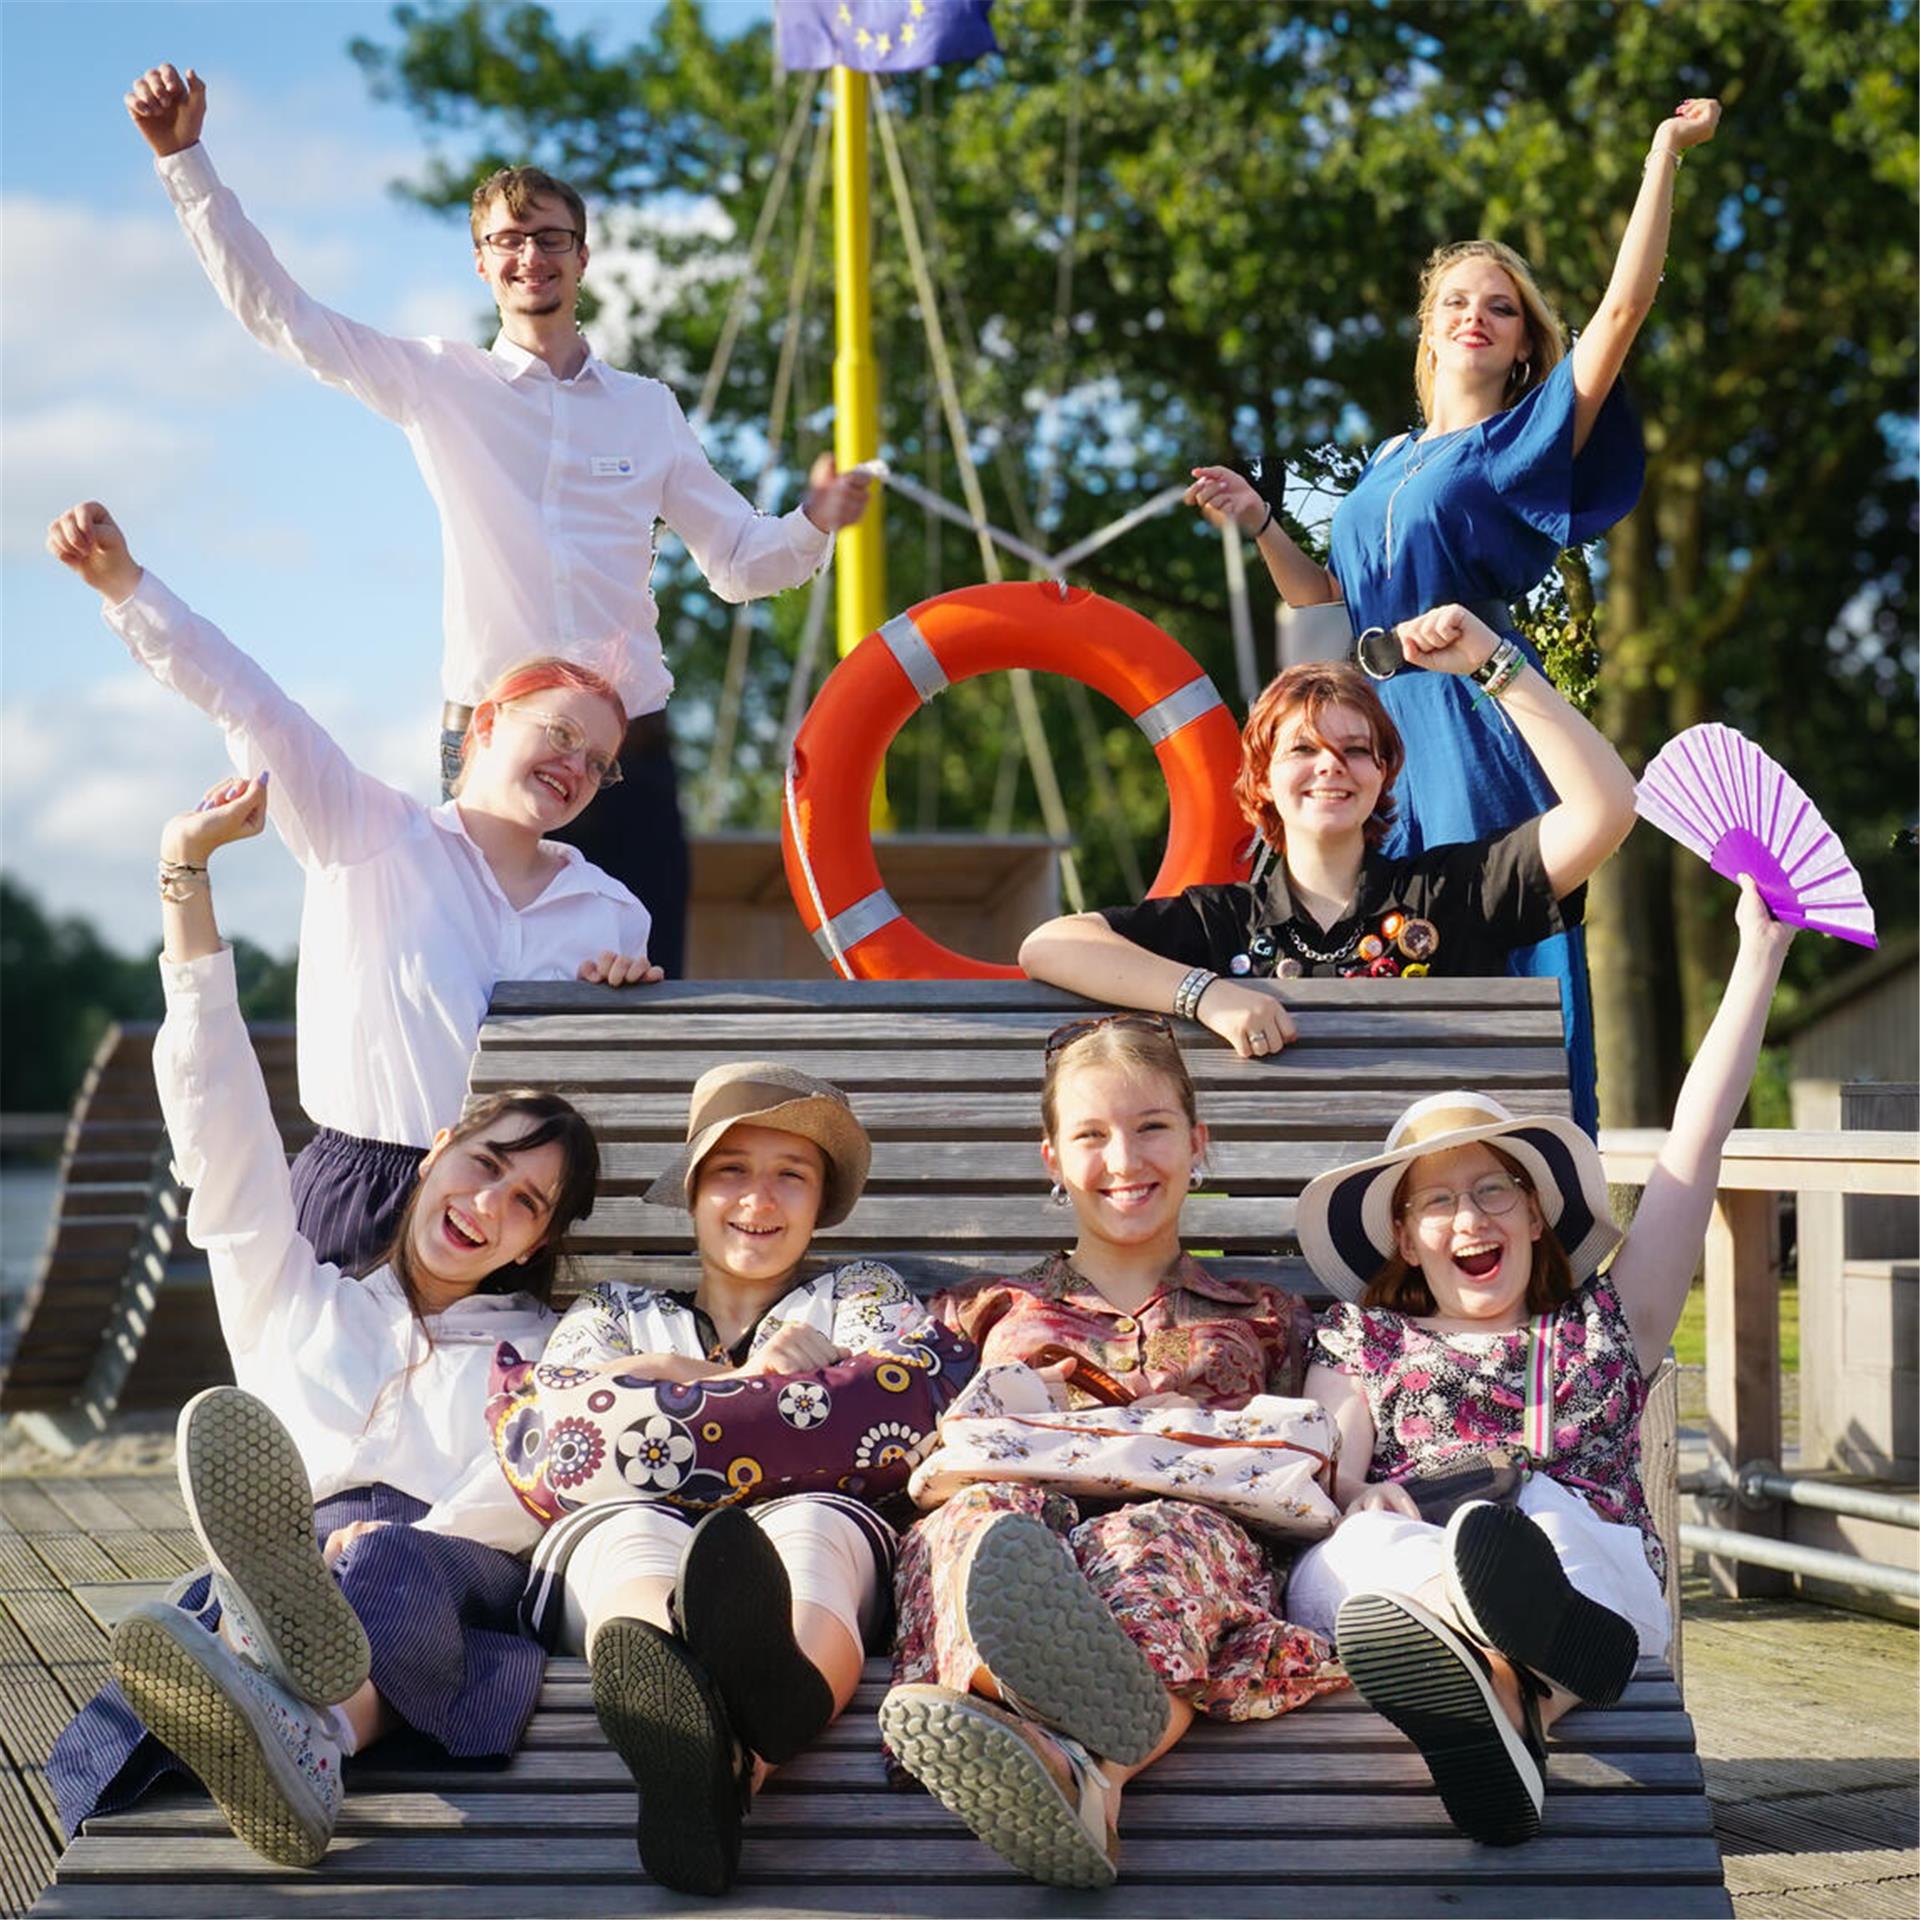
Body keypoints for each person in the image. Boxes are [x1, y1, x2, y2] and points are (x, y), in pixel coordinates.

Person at [123, 61, 875, 975]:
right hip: (490, 742)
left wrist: (814, 518)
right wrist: (185, 163)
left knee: (640, 981)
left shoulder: (647, 409)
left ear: (583, 258)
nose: (532, 257)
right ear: (482, 263)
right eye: (509, 240)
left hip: (626, 746)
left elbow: (740, 564)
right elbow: (285, 319)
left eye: (551, 239)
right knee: (491, 988)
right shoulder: (441, 382)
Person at [48, 775, 604, 1866]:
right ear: (435, 1152)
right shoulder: (299, 1293)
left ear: (536, 1244)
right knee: (283, 1580)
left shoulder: (542, 1352)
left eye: (525, 1205)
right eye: (483, 1166)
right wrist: (186, 876)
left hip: (448, 1566)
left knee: (382, 1562)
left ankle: (286, 1693)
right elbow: (220, 1120)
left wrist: (413, 1537)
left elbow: (537, 1484)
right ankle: (296, 1723)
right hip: (290, 1547)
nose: (488, 1206)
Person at [1187, 98, 1722, 1128]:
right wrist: (1262, 522)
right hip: (1378, 738)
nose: (1475, 315)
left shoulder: (1514, 445)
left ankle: (1549, 1179)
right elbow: (1329, 605)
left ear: (1524, 347)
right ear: (1427, 333)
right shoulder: (1386, 461)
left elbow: (1621, 312)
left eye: (1502, 307)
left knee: (1498, 952)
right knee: (1372, 959)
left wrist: (1661, 155)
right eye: (1455, 304)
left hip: (1476, 725)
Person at [1284, 877, 1792, 1846]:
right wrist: (1360, 1497)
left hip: (1588, 1561)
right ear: (1404, 1234)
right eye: (1439, 1203)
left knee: (1547, 1521)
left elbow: (1698, 1141)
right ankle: (1512, 1703)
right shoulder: (1361, 1340)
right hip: (1412, 1566)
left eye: (1494, 1192)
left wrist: (1758, 955)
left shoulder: (1608, 1320)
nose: (1470, 1219)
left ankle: (1512, 1647)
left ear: (1533, 1213)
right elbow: (1333, 1468)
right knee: (1351, 1555)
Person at [48, 498, 656, 1275]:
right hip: (362, 1196)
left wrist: (625, 1001)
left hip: (512, 1227)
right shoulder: (368, 833)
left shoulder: (612, 914)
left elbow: (595, 1109)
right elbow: (252, 702)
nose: (577, 766)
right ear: (487, 725)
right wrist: (126, 587)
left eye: (599, 762)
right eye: (561, 734)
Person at [880, 1015, 1347, 1889]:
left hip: (1190, 1538)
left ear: (1199, 1143)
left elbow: (1334, 1441)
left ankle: (1081, 1773)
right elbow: (878, 1399)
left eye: (1152, 1128)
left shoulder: (1262, 1315)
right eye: (1091, 1135)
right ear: (1052, 1158)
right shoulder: (982, 1311)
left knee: (1154, 1537)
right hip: (1016, 1511)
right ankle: (1021, 1727)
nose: (1126, 1161)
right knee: (983, 1526)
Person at [502, 1062, 973, 1894]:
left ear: (820, 1202)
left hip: (815, 1530)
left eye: (790, 1176)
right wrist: (758, 1383)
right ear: (691, 1191)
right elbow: (564, 1421)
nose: (759, 1199)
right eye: (732, 1172)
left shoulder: (859, 1293)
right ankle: (697, 1717)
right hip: (624, 1534)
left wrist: (659, 1392)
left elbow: (902, 1403)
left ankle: (736, 1734)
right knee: (632, 1532)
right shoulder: (613, 1309)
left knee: (813, 1523)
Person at [1020, 613, 1635, 1065]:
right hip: (1272, 1235)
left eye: (1355, 751)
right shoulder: (1222, 924)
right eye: (1303, 749)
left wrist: (1493, 661)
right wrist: (1206, 995)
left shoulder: (1454, 893)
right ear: (1262, 777)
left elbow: (1606, 808)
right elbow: (1049, 946)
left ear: (1382, 774)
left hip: (1434, 1230)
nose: (1330, 766)